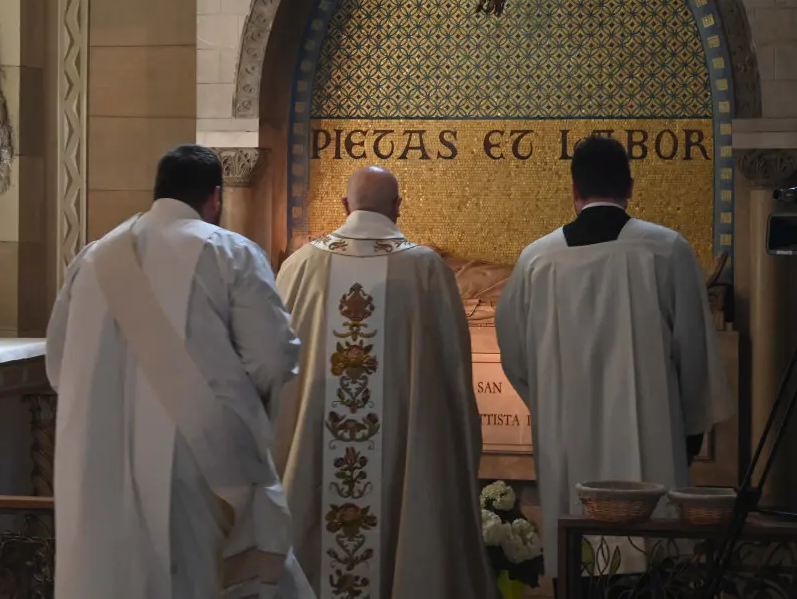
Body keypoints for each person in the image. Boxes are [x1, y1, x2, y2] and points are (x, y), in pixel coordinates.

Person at [46, 144, 314, 599]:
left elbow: (58, 363)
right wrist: (241, 412)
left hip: (95, 455)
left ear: (158, 190)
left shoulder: (92, 258)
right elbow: (271, 357)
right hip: (198, 457)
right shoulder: (231, 252)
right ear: (215, 198)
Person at [495, 136, 735, 589]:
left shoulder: (536, 260)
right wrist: (686, 435)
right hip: (652, 445)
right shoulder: (667, 250)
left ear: (573, 189)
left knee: (580, 563)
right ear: (630, 186)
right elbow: (693, 354)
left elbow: (516, 356)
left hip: (566, 443)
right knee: (652, 565)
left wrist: (550, 404)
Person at [273, 165, 497, 599]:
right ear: (398, 206)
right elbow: (454, 373)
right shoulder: (426, 269)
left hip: (316, 448)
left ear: (344, 205)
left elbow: (274, 368)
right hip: (402, 445)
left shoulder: (300, 266)